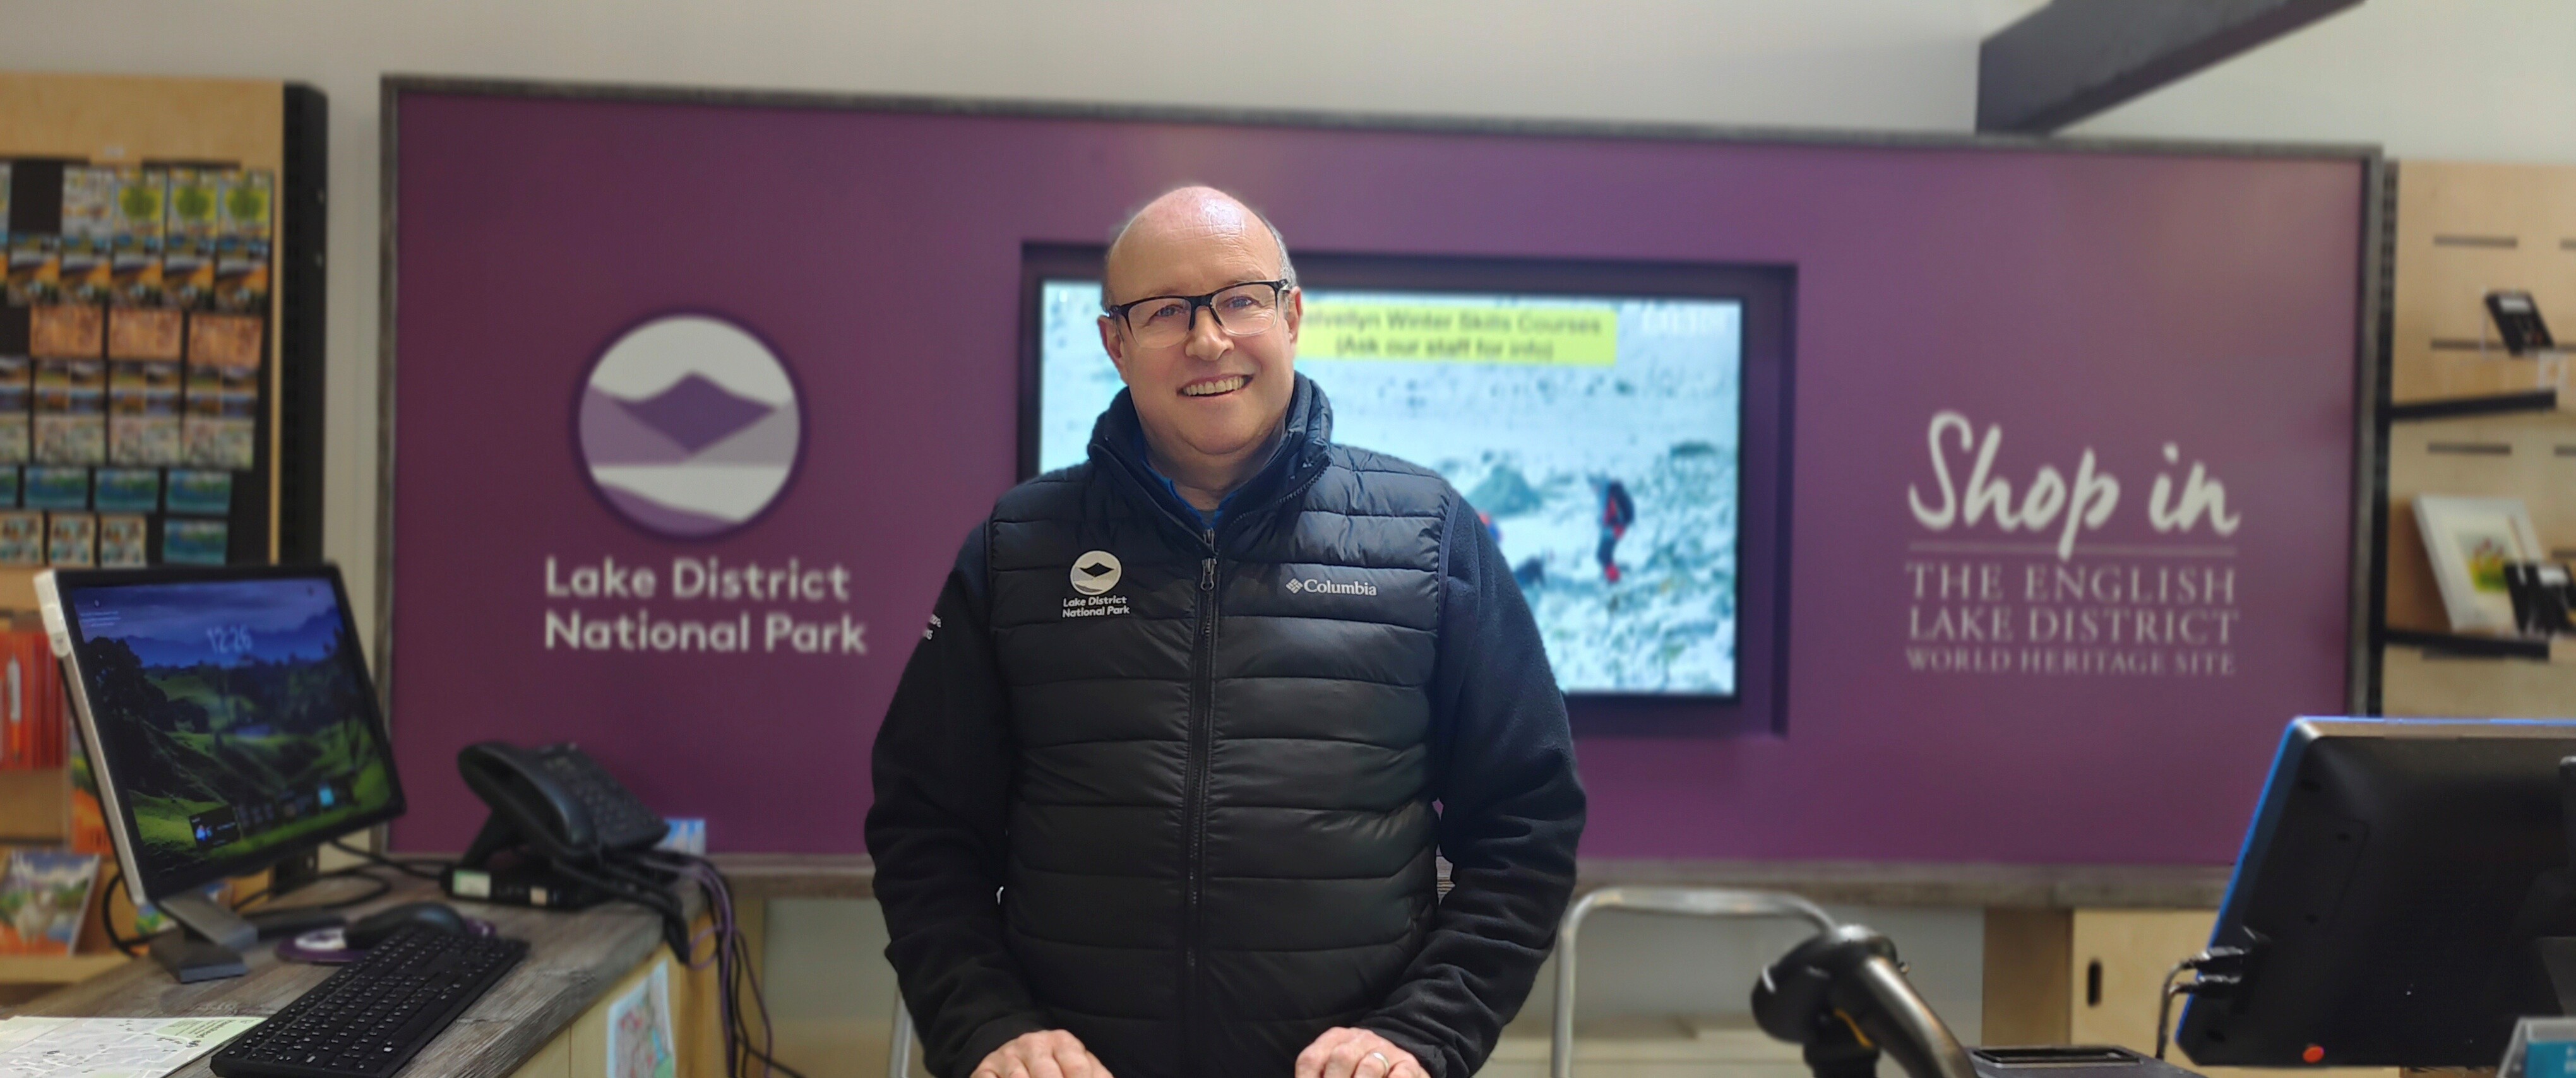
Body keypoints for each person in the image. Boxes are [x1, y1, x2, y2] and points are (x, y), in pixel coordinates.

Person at [866, 187, 1585, 1078]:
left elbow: (1528, 823)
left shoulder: (1431, 536)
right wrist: (986, 1028)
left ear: (1291, 315)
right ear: (1114, 344)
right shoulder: (1021, 548)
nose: (1208, 340)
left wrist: (1423, 1035)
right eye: (1165, 311)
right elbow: (925, 829)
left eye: (1239, 300)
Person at [1595, 479, 1635, 583]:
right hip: (1613, 529)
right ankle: (1612, 576)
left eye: (1596, 486)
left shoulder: (1612, 496)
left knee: (1603, 555)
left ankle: (1614, 579)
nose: (1594, 490)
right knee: (1604, 555)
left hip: (1614, 529)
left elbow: (1616, 515)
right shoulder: (1612, 495)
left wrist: (1612, 523)